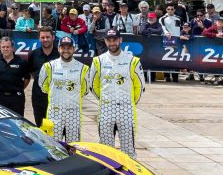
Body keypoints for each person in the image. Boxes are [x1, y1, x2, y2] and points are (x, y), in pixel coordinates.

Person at [88, 29, 145, 158]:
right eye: (109, 40)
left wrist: (129, 102)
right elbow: (93, 86)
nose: (112, 42)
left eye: (115, 39)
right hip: (106, 109)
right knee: (105, 150)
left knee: (128, 149)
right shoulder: (98, 61)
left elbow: (139, 86)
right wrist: (104, 99)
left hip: (126, 109)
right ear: (105, 41)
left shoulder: (132, 61)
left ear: (120, 40)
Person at [38, 36, 89, 142]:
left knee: (74, 146)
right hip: (54, 112)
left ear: (74, 49)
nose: (66, 50)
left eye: (69, 48)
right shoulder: (48, 66)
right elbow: (44, 87)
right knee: (52, 145)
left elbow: (84, 90)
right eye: (63, 47)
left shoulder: (83, 68)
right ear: (58, 48)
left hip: (74, 113)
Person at [0, 36, 30, 116]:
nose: (5, 49)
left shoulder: (22, 61)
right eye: (3, 47)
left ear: (12, 48)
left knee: (17, 123)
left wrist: (19, 88)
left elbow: (27, 79)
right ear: (0, 48)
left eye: (8, 47)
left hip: (16, 98)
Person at [28, 27, 59, 126]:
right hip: (38, 96)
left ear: (53, 37)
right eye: (43, 37)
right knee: (40, 125)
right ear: (39, 38)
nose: (45, 40)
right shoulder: (34, 54)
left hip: (56, 96)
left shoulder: (60, 54)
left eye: (48, 37)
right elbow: (31, 72)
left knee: (56, 128)